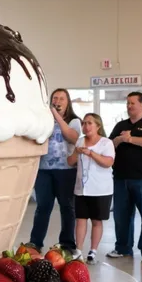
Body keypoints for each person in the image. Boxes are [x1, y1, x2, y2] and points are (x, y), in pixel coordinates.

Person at [27, 88, 81, 253]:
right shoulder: (44, 120)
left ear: (67, 102)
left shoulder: (74, 120)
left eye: (61, 99)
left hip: (66, 170)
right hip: (44, 170)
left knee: (67, 206)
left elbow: (72, 137)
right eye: (55, 98)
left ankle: (67, 243)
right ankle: (35, 242)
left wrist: (56, 116)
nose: (57, 101)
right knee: (43, 206)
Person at [107, 92, 142, 264]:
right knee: (121, 216)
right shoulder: (121, 124)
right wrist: (121, 138)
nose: (129, 106)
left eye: (132, 103)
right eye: (127, 103)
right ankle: (123, 247)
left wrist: (131, 139)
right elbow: (109, 144)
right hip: (121, 178)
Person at [67, 113, 115, 264]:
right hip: (81, 188)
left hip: (100, 189)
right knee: (80, 219)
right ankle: (78, 250)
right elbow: (70, 162)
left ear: (98, 126)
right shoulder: (80, 141)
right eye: (84, 123)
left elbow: (108, 162)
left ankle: (93, 251)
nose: (86, 126)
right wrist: (77, 152)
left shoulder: (106, 143)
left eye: (89, 123)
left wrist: (91, 154)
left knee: (96, 220)